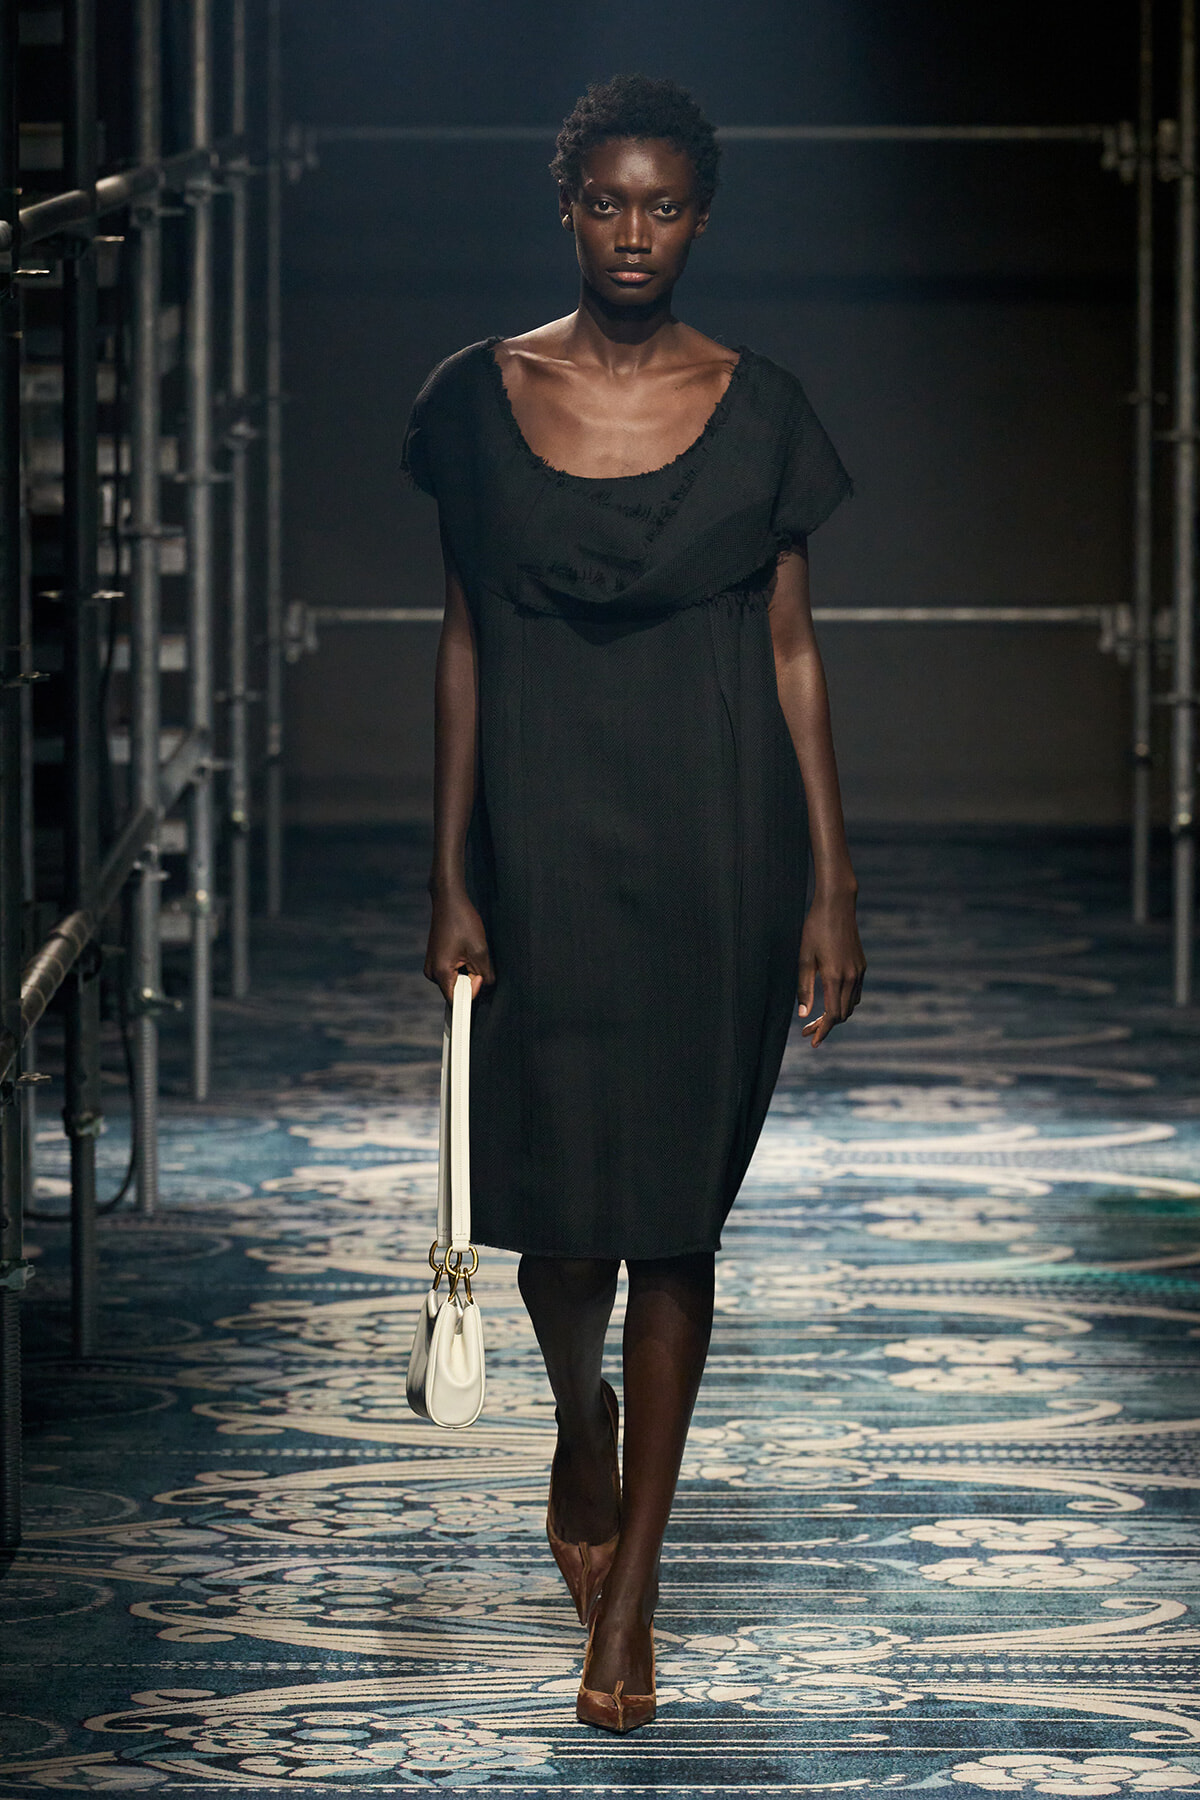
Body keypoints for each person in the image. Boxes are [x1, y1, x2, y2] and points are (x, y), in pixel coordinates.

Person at [403, 73, 866, 1734]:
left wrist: (832, 881)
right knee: (558, 1214)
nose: (633, 234)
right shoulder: (477, 400)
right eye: (607, 202)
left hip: (717, 848)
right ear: (567, 206)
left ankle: (632, 1594)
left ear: (700, 220)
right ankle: (579, 1423)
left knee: (674, 1217)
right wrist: (450, 871)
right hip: (540, 835)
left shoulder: (761, 405)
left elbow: (793, 653)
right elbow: (464, 640)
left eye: (664, 207)